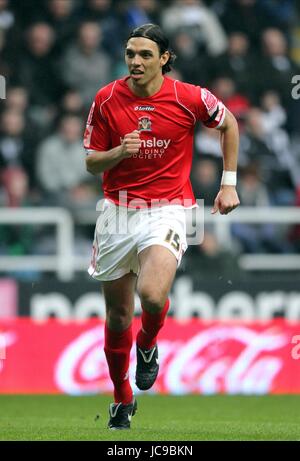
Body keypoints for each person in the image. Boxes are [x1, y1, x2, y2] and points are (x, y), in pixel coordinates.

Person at [84, 23, 240, 430]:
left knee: (152, 295)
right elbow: (90, 161)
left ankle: (148, 344)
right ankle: (121, 397)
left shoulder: (189, 97)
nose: (135, 61)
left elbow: (230, 125)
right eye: (130, 54)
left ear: (165, 59)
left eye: (145, 55)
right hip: (117, 212)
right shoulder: (106, 98)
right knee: (118, 316)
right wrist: (119, 151)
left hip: (168, 208)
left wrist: (228, 183)